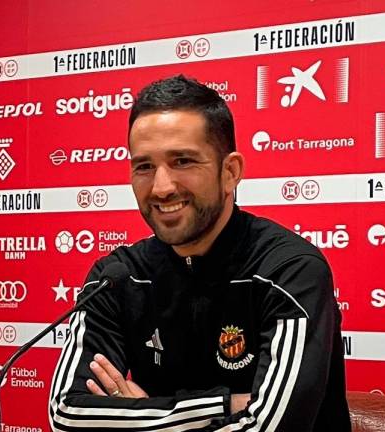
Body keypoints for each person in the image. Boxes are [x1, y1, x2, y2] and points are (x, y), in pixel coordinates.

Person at [48, 75, 350, 431]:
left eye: (183, 162)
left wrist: (139, 418)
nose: (161, 187)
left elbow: (269, 429)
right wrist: (226, 405)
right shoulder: (115, 277)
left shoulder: (289, 271)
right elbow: (68, 414)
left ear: (230, 172)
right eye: (144, 166)